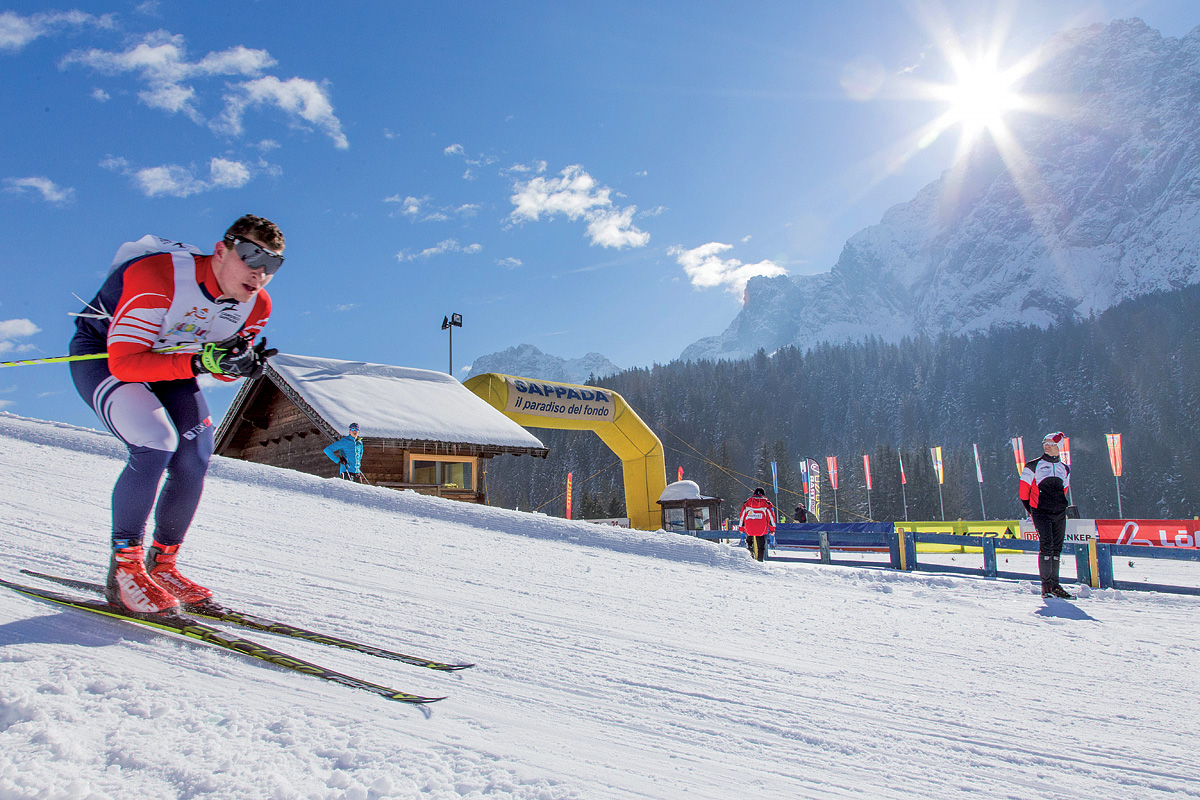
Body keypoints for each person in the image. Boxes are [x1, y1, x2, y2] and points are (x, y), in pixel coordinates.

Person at [70, 215, 284, 614]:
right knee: (156, 442)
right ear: (221, 251)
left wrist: (237, 365)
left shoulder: (257, 304)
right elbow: (126, 364)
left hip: (173, 361)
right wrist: (202, 362)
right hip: (107, 355)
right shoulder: (160, 276)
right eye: (252, 256)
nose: (260, 272)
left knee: (196, 453)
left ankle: (162, 565)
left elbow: (221, 366)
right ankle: (125, 568)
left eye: (273, 264)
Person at [1019, 431, 1074, 599]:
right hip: (1040, 512)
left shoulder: (1065, 468)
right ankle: (1046, 586)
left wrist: (1059, 508)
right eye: (1045, 443)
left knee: (1057, 548)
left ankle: (1055, 585)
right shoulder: (1033, 466)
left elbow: (1064, 490)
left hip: (1059, 513)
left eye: (1051, 444)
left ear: (1059, 446)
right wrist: (1033, 511)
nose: (1047, 446)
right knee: (1047, 546)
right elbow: (1023, 492)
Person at [738, 487, 776, 562]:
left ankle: (750, 556)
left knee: (749, 542)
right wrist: (772, 529)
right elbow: (771, 517)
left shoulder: (747, 502)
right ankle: (760, 560)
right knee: (761, 546)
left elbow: (742, 516)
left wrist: (741, 528)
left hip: (749, 527)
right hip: (761, 527)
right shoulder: (767, 503)